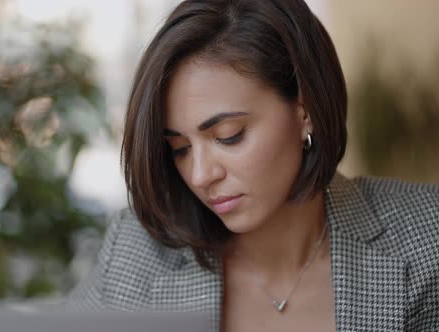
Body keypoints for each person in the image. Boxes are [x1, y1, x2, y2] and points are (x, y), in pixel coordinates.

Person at [67, 0, 439, 331]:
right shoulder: (138, 253)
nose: (200, 175)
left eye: (229, 135)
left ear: (305, 108)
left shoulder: (425, 236)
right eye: (178, 148)